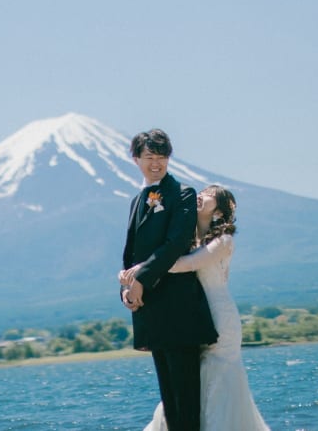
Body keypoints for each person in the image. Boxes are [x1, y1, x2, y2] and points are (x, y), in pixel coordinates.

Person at [123, 185, 270, 431]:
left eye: (209, 195)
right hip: (194, 318)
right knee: (191, 383)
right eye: (201, 192)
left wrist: (143, 269)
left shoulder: (223, 241)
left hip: (220, 318)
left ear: (220, 212)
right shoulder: (188, 237)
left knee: (217, 380)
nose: (200, 196)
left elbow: (189, 264)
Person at [120, 129, 218, 431]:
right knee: (170, 399)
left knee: (186, 400)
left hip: (179, 310)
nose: (156, 164)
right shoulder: (137, 200)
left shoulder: (183, 194)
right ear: (136, 159)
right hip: (152, 311)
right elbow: (132, 254)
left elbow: (176, 243)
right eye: (149, 158)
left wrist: (142, 280)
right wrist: (127, 289)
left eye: (161, 158)